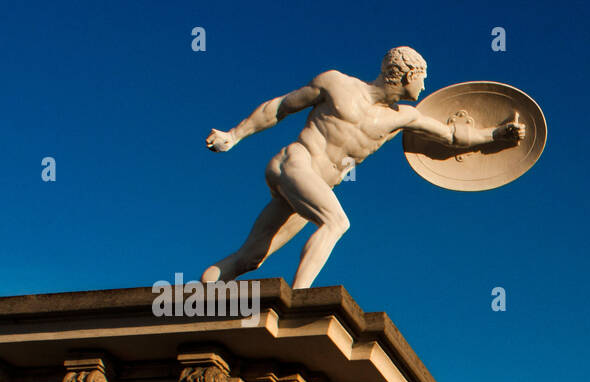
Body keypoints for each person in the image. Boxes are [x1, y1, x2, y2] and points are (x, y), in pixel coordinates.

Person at [202, 47, 525, 289]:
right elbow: (279, 107)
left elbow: (452, 136)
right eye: (423, 78)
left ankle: (198, 296)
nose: (425, 86)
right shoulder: (336, 83)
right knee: (336, 223)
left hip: (314, 188)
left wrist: (497, 134)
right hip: (296, 161)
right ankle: (299, 303)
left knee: (251, 257)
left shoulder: (403, 117)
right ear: (409, 75)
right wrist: (234, 135)